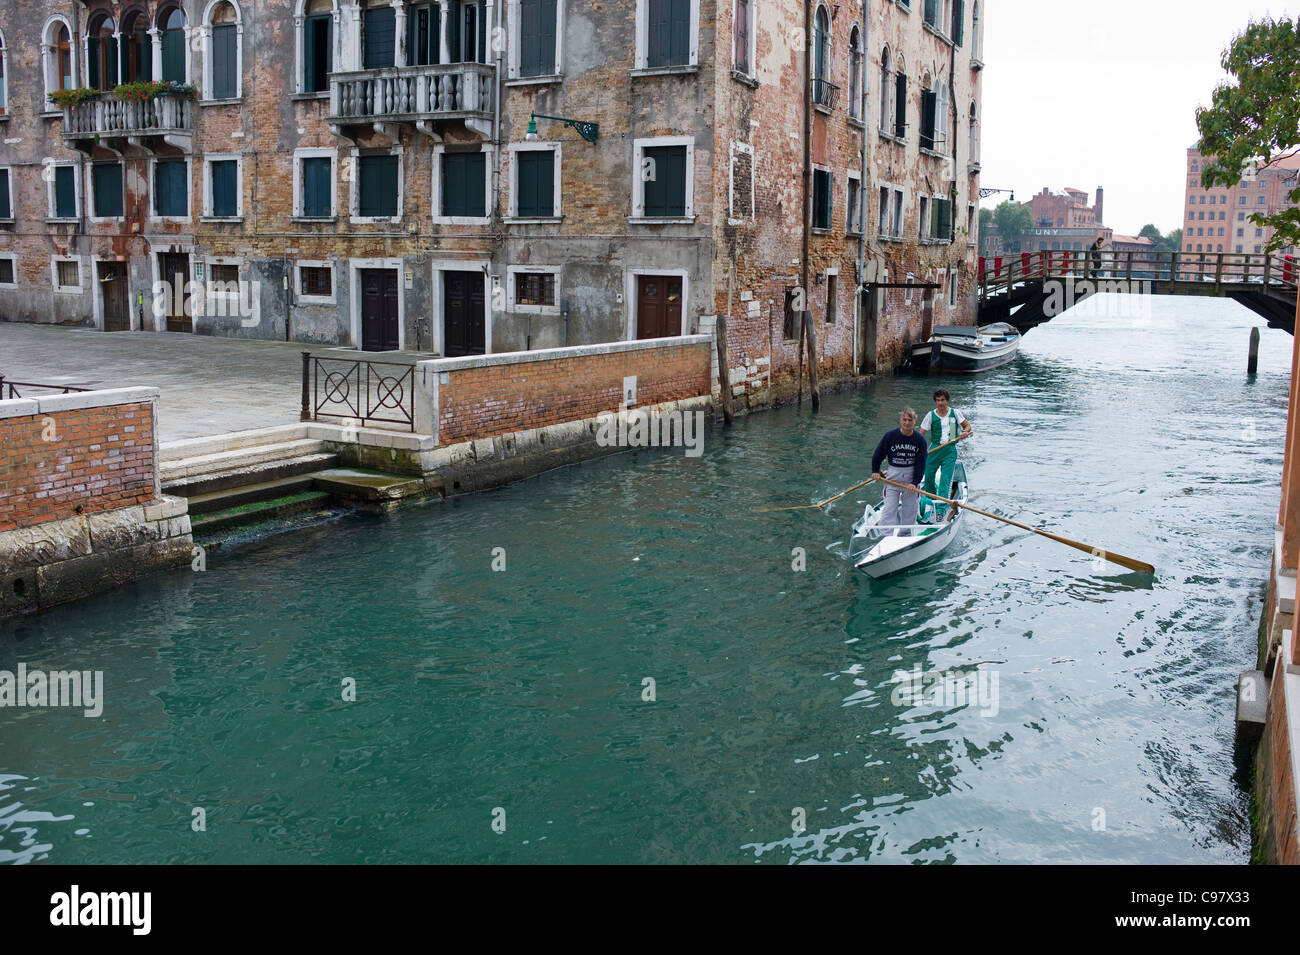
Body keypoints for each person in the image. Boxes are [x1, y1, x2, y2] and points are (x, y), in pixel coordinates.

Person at [870, 407, 928, 536]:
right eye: (904, 420)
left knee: (910, 509)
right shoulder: (890, 436)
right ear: (900, 420)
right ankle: (885, 535)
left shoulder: (920, 440)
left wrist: (915, 482)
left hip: (910, 480)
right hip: (892, 478)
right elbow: (878, 454)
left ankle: (905, 534)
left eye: (910, 420)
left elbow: (921, 463)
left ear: (914, 422)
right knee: (889, 508)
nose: (907, 423)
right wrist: (875, 471)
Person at [918, 388, 972, 508]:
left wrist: (965, 432)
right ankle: (930, 502)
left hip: (950, 450)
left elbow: (967, 426)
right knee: (928, 477)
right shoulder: (930, 415)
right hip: (935, 449)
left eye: (942, 400)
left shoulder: (955, 413)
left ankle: (941, 507)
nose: (940, 403)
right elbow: (921, 434)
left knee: (945, 481)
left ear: (947, 401)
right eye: (938, 400)